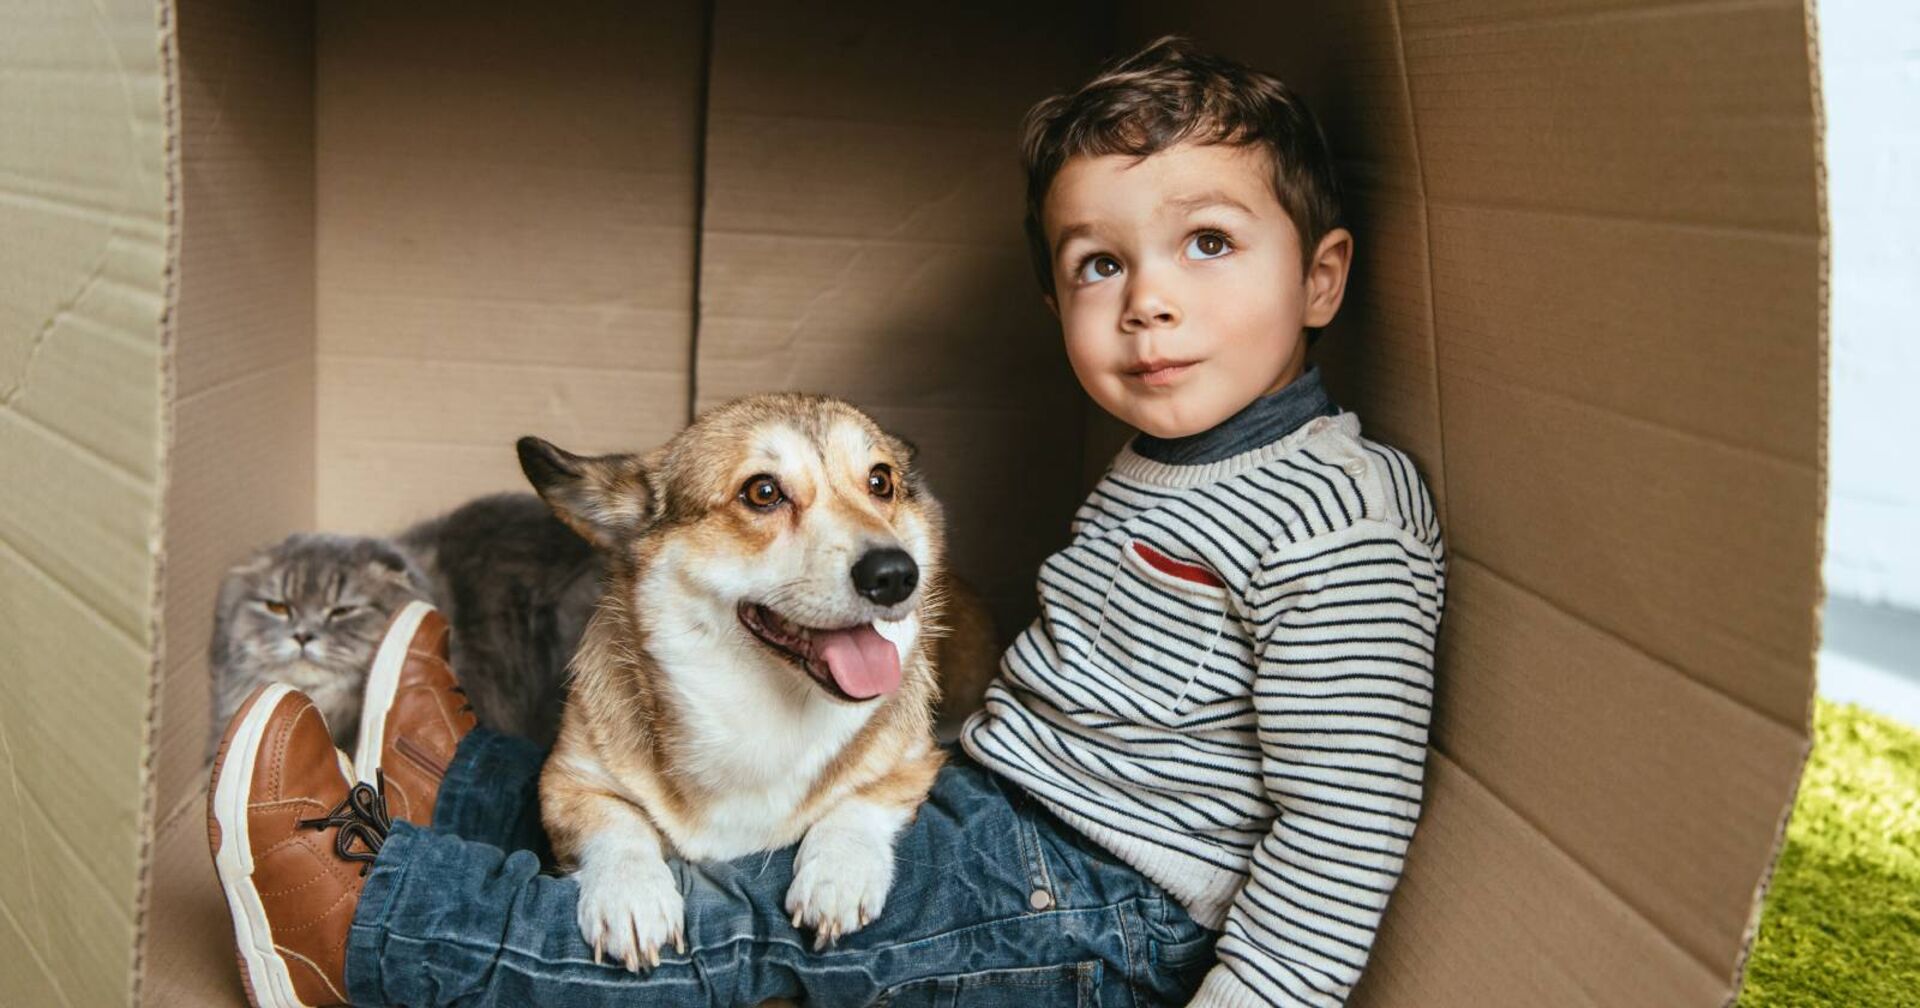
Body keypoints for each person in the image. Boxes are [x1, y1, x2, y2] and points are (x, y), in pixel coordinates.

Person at [206, 35, 1445, 1008]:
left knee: (742, 931)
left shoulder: (1339, 515)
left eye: (1209, 243)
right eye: (1100, 265)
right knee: (707, 842)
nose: (1149, 303)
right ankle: (455, 783)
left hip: (1108, 911)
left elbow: (1343, 836)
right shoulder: (1169, 459)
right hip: (999, 812)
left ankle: (377, 937)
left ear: (1321, 277)